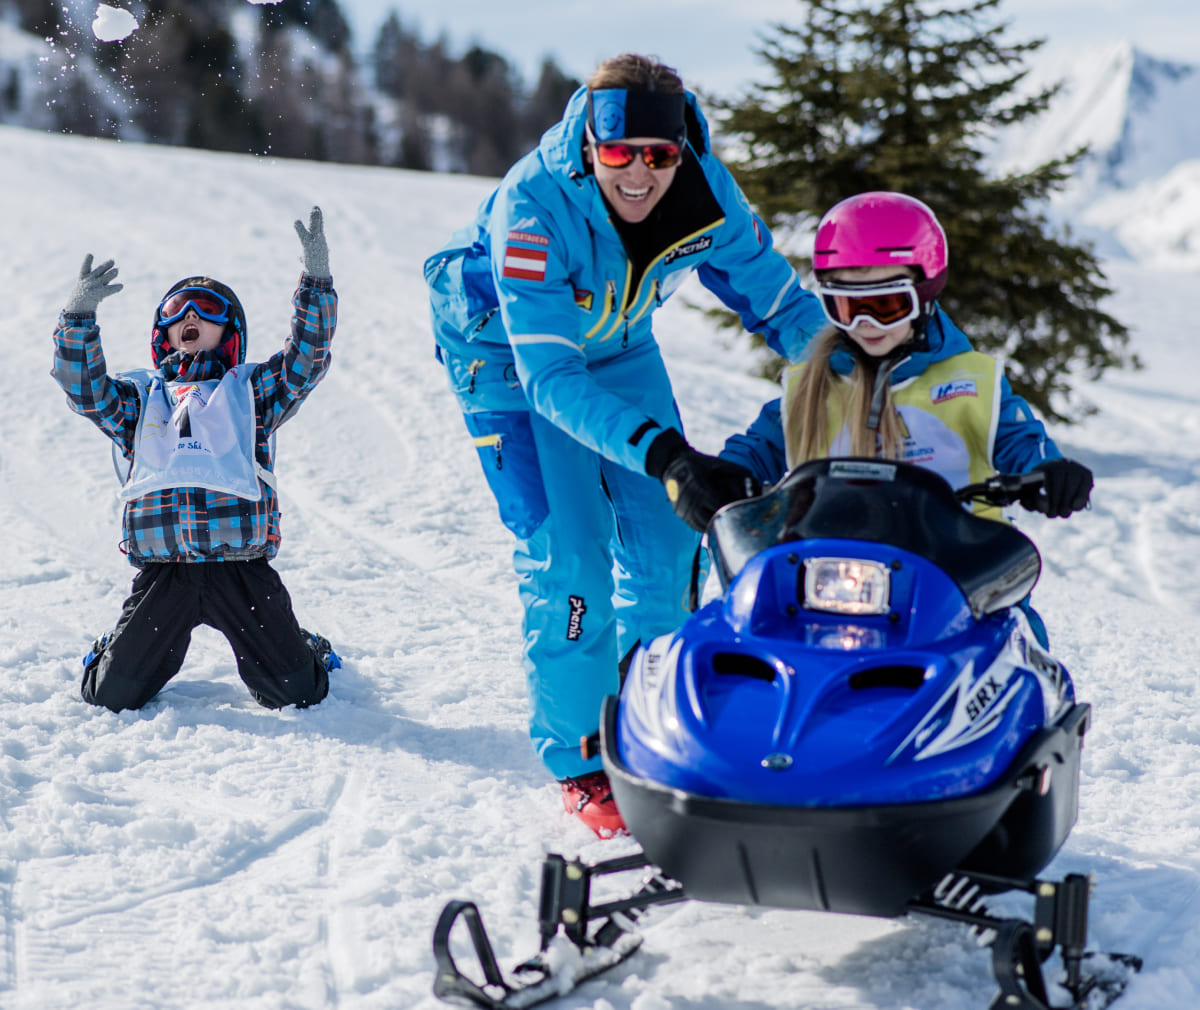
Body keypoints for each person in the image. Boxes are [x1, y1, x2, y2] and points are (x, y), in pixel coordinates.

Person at [424, 53, 826, 836]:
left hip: (617, 340)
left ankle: (653, 721)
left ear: (682, 148)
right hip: (508, 356)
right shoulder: (534, 207)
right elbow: (551, 379)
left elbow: (784, 306)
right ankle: (580, 759)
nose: (640, 174)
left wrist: (852, 375)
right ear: (590, 147)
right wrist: (667, 454)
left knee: (670, 543)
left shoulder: (706, 190)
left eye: (659, 155)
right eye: (619, 153)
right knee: (570, 560)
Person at [717, 191, 1093, 643]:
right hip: (825, 585)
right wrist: (721, 474)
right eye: (846, 306)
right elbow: (759, 446)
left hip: (960, 586)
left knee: (1012, 653)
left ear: (924, 293)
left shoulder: (971, 381)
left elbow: (1020, 441)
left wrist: (1048, 471)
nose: (866, 323)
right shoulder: (811, 386)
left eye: (887, 305)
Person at [51, 207, 341, 713]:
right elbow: (85, 390)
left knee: (298, 693)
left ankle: (303, 646)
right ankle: (114, 648)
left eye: (205, 309)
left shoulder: (251, 394)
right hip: (166, 574)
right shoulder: (141, 401)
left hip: (241, 570)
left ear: (229, 333)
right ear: (162, 334)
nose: (189, 316)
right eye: (176, 310)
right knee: (110, 695)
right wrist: (78, 319)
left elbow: (306, 359)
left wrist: (315, 282)